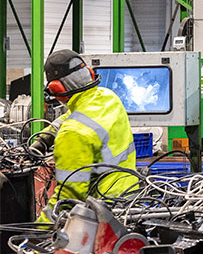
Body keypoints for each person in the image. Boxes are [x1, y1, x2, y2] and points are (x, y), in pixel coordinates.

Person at [31, 50, 137, 222]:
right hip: (131, 199)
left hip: (103, 212)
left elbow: (68, 199)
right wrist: (44, 138)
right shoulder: (109, 98)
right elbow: (74, 114)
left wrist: (36, 233)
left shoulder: (73, 132)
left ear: (56, 89)